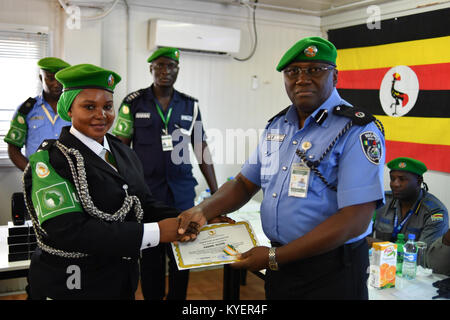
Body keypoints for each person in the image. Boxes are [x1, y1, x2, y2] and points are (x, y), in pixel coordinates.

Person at [178, 36, 386, 300]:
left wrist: (275, 257)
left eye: (314, 70)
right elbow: (244, 183)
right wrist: (203, 210)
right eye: (292, 71)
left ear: (335, 77)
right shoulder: (278, 126)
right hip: (281, 265)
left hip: (331, 270)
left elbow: (356, 220)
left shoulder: (357, 130)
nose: (301, 79)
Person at [23, 64, 186, 299]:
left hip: (120, 281)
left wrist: (194, 216)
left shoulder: (123, 152)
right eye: (89, 107)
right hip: (71, 286)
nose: (101, 115)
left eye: (108, 106)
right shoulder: (50, 161)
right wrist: (157, 232)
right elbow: (69, 231)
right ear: (69, 109)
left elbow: (142, 204)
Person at [112, 47, 218, 300]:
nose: (165, 71)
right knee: (150, 256)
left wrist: (216, 192)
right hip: (146, 193)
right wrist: (120, 189)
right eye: (159, 66)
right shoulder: (133, 102)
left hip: (181, 192)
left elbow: (201, 147)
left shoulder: (190, 106)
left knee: (184, 253)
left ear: (177, 70)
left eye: (170, 66)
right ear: (151, 69)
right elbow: (119, 149)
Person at [4, 57, 71, 171]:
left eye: (60, 79)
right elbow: (13, 148)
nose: (56, 84)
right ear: (41, 78)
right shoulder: (26, 109)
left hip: (70, 176)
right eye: (50, 79)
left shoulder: (74, 108)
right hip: (38, 176)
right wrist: (31, 173)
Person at [369, 157, 448, 248]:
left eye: (402, 179)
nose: (395, 184)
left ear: (419, 181)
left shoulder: (434, 212)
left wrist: (378, 244)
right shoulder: (382, 201)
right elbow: (362, 238)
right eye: (392, 178)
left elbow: (425, 254)